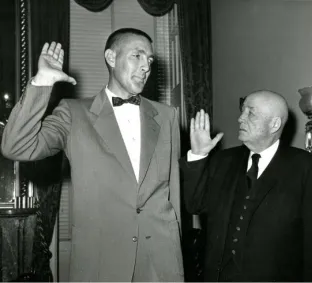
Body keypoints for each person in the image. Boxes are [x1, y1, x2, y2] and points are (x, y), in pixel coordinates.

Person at [1, 28, 183, 282]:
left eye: (150, 60)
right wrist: (42, 82)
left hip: (160, 262)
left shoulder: (167, 116)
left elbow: (172, 193)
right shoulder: (73, 113)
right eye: (137, 56)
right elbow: (16, 146)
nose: (146, 67)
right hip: (101, 263)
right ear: (111, 57)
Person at [179, 90, 312, 282]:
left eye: (250, 113)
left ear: (274, 124)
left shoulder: (305, 167)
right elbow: (195, 205)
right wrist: (198, 155)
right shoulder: (223, 160)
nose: (240, 119)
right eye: (242, 111)